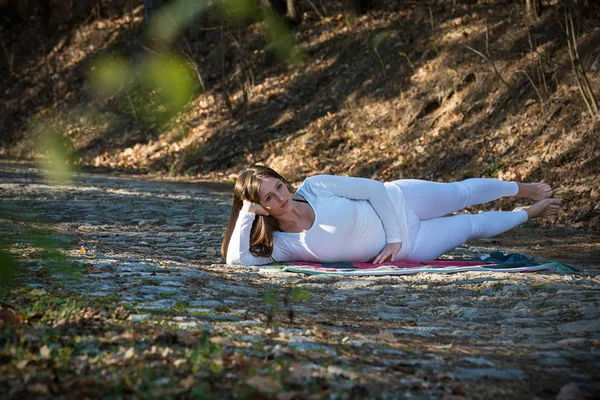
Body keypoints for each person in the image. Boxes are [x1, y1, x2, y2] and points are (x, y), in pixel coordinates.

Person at [221, 165, 561, 266]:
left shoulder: (315, 187)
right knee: (471, 225)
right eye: (268, 197)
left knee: (460, 193)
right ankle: (530, 213)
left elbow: (374, 190)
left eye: (279, 186)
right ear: (260, 206)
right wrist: (247, 215)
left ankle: (521, 188)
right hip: (413, 246)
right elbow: (237, 261)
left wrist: (394, 235)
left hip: (400, 201)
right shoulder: (282, 245)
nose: (281, 197)